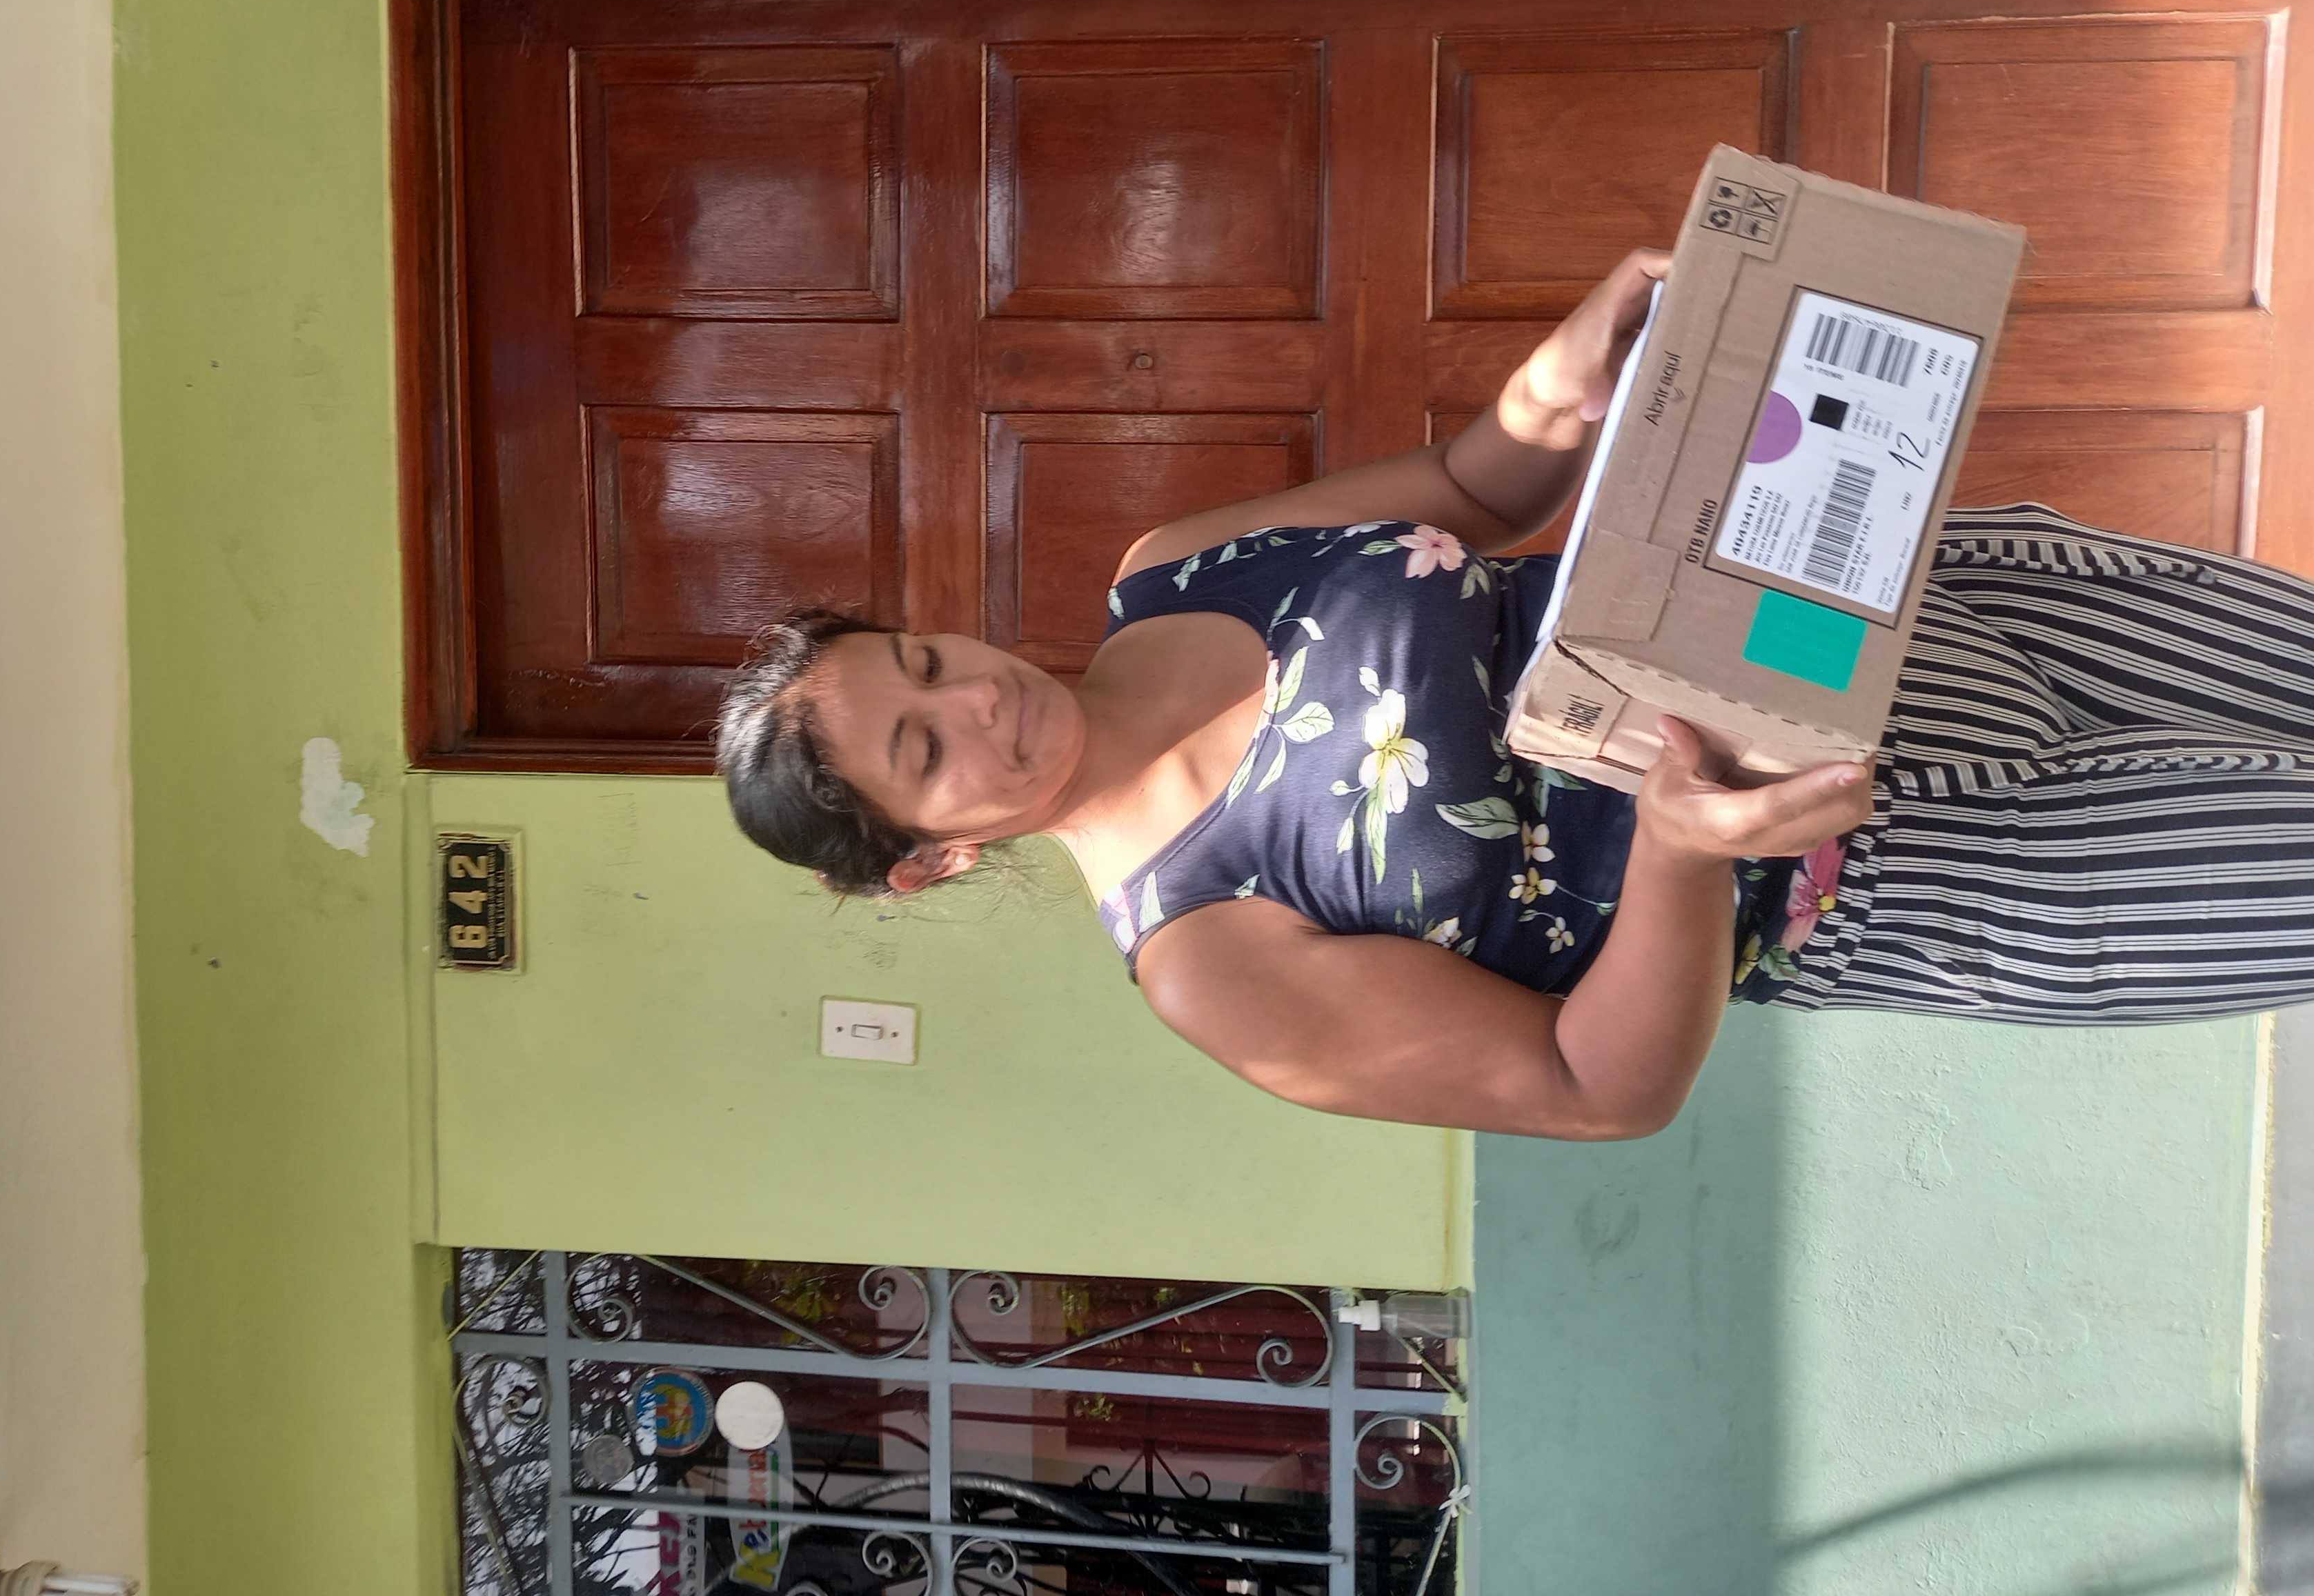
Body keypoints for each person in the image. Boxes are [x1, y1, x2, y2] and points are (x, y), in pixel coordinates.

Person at [716, 252, 2314, 1139]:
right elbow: (1594, 1086)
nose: (977, 700)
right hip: (1901, 872)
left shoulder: (1173, 570)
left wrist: (1560, 382)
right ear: (931, 859)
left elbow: (1477, 491)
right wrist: (1678, 849)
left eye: (924, 660)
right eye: (923, 750)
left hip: (1901, 611)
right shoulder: (1208, 962)